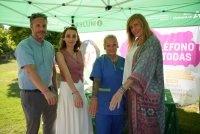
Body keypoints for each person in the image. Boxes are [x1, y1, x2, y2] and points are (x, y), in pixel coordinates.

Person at [109, 14, 165, 134]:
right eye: (131, 27)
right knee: (135, 127)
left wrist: (121, 90)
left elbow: (140, 69)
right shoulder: (137, 42)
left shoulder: (152, 42)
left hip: (146, 94)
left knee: (148, 128)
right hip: (132, 92)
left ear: (143, 23)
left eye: (136, 25)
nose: (133, 29)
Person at [15, 13, 58, 134]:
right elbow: (30, 70)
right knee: (32, 129)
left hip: (50, 91)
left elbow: (52, 68)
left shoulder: (49, 46)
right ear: (31, 27)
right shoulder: (24, 46)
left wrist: (55, 89)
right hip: (32, 95)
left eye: (44, 26)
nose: (41, 29)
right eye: (38, 25)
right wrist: (46, 92)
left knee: (50, 127)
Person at [56, 27, 93, 134]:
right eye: (68, 36)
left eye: (74, 36)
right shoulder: (60, 54)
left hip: (80, 90)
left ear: (77, 38)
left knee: (81, 120)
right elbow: (67, 74)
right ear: (63, 38)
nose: (71, 39)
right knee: (70, 120)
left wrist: (80, 91)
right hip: (68, 91)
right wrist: (75, 93)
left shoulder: (79, 53)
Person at [89, 34, 125, 134]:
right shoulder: (100, 61)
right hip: (103, 106)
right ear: (104, 46)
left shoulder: (124, 62)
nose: (111, 48)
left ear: (117, 45)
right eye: (108, 45)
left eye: (114, 45)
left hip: (119, 107)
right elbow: (96, 80)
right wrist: (94, 98)